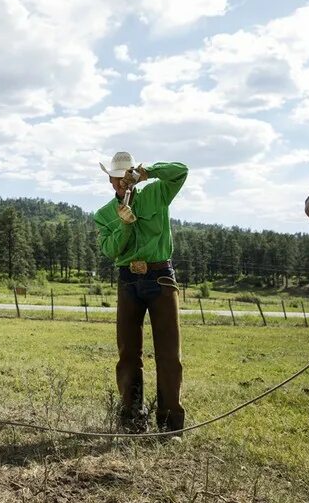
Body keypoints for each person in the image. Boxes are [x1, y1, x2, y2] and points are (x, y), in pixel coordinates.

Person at [95, 152, 188, 433]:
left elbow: (181, 170)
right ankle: (132, 417)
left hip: (160, 277)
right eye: (116, 178)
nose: (120, 182)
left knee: (168, 353)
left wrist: (150, 172)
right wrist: (124, 225)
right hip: (128, 281)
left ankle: (170, 424)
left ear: (132, 176)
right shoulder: (103, 215)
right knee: (128, 352)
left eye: (125, 176)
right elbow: (110, 251)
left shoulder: (157, 192)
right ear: (110, 180)